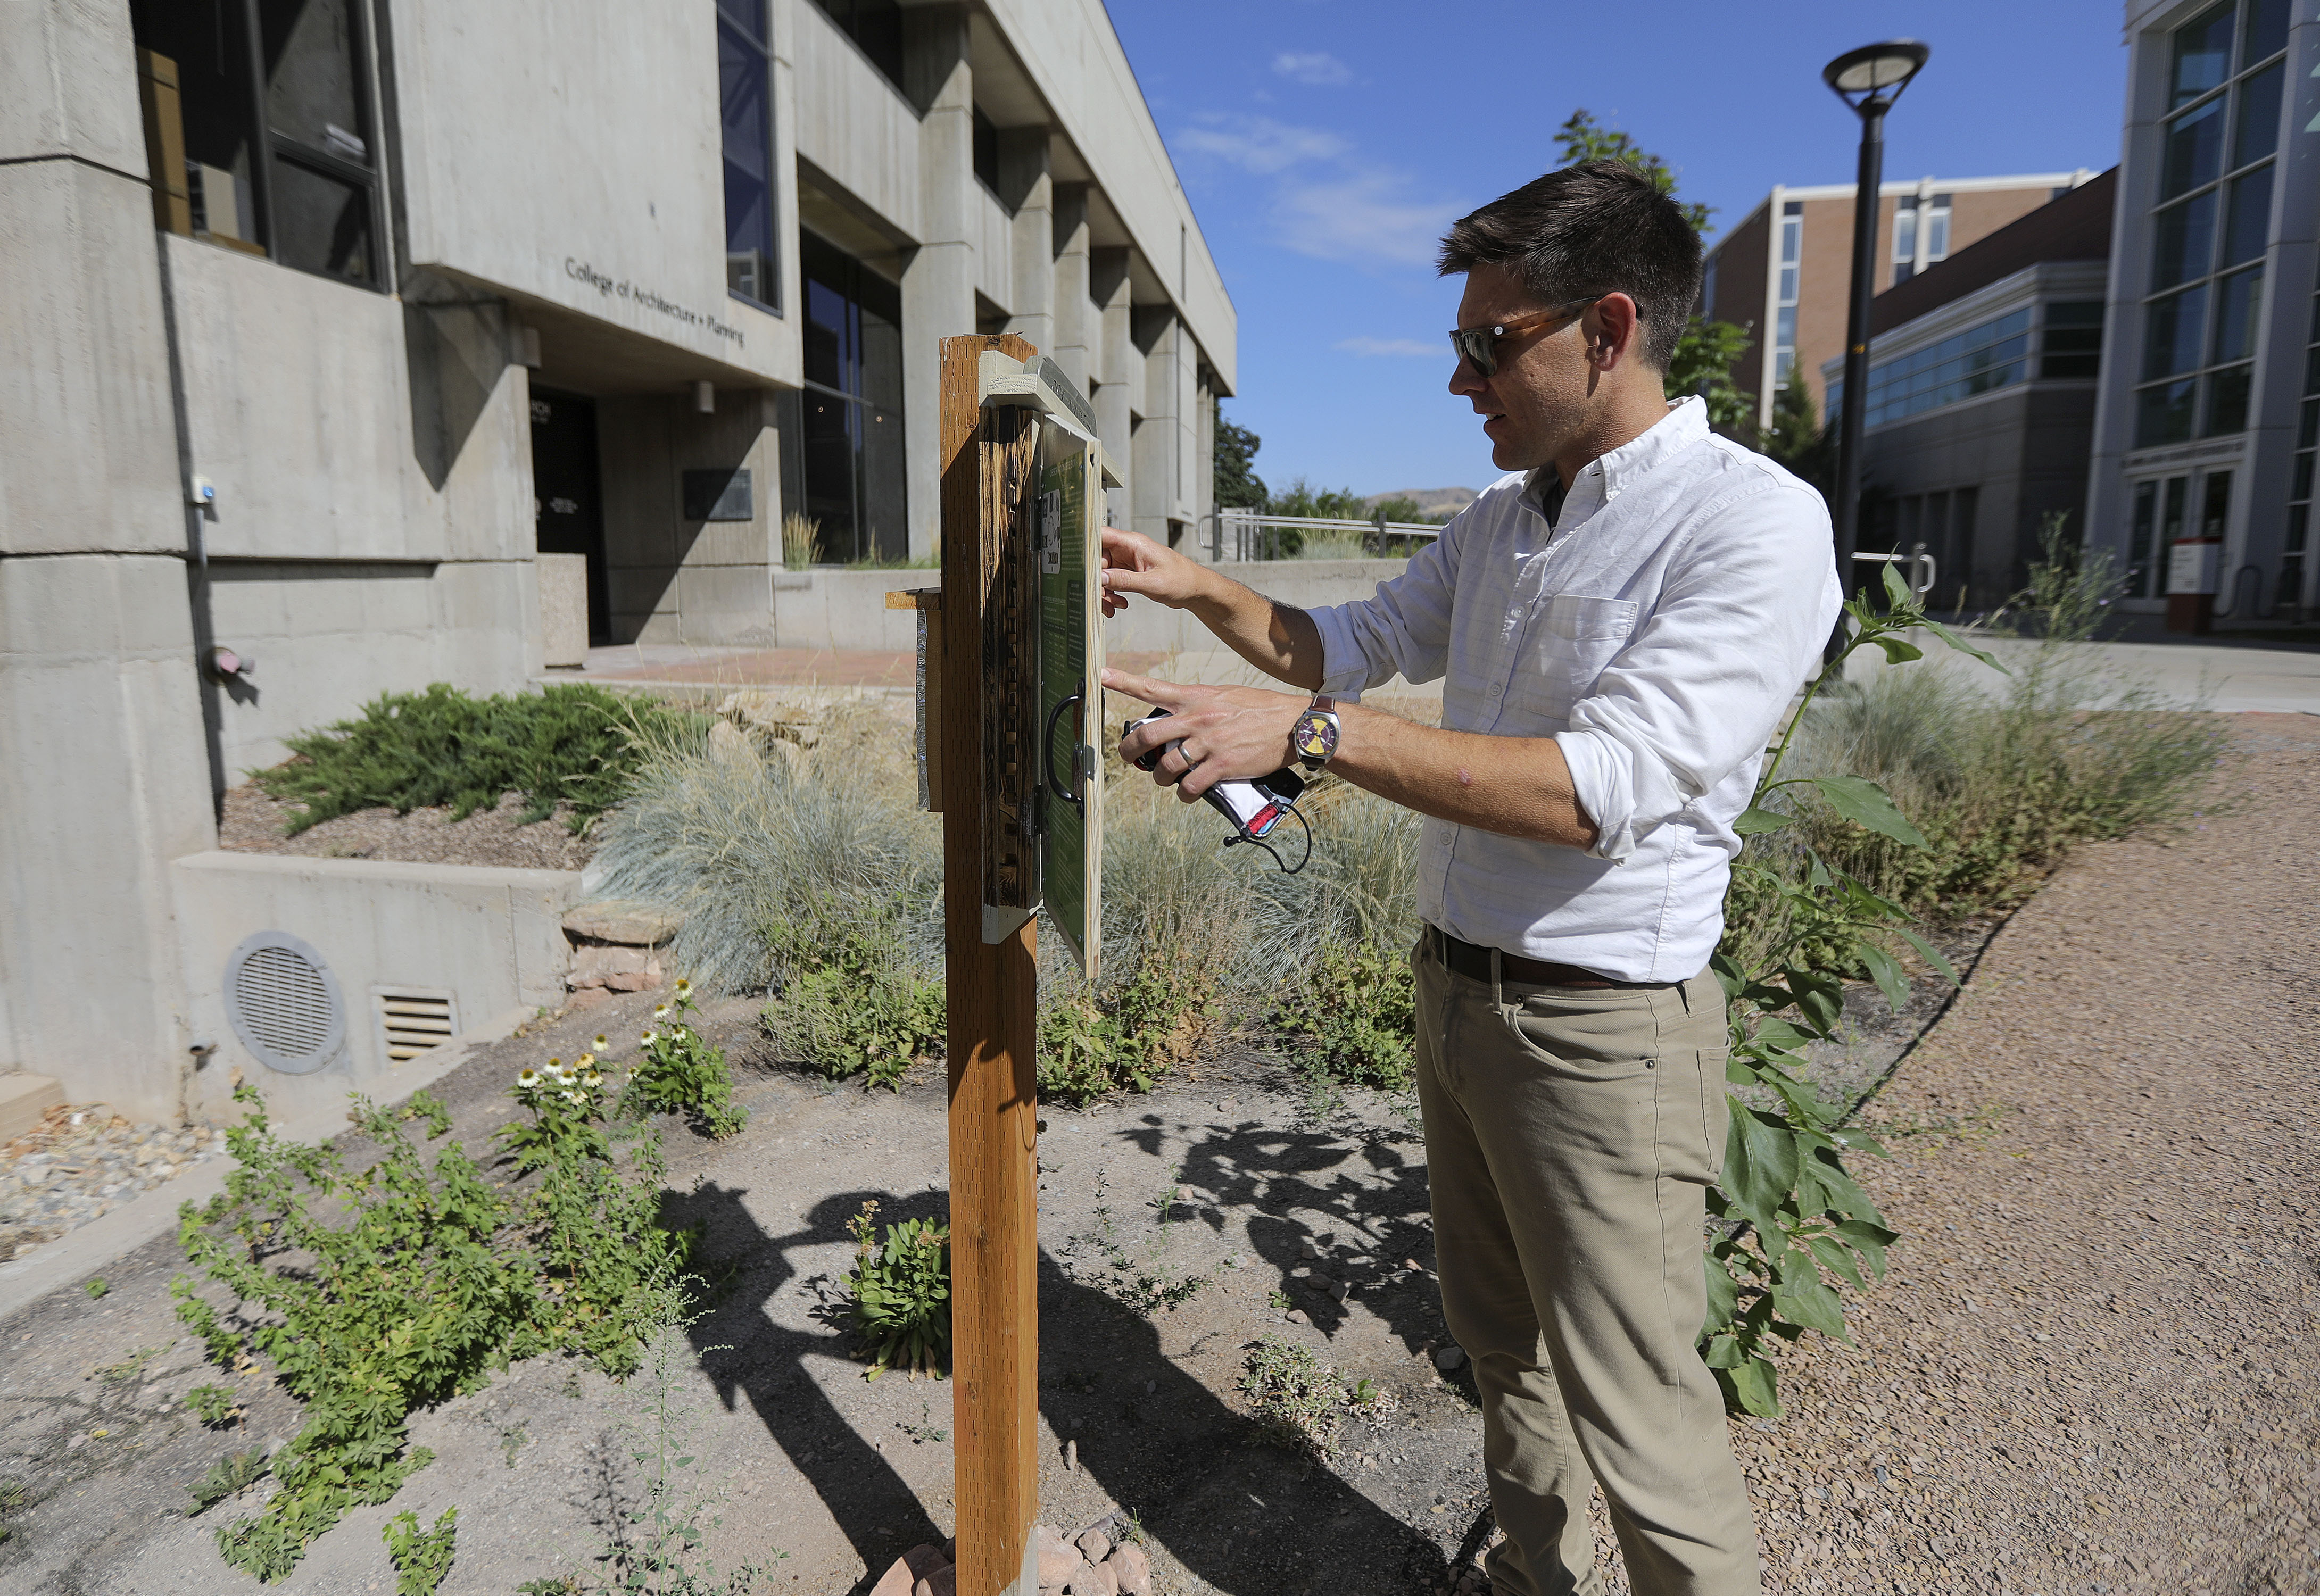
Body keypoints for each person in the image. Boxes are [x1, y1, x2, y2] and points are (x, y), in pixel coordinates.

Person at [1100, 160, 1838, 1596]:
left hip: (1604, 1040)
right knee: (1504, 1359)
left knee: (1645, 1422)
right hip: (1461, 997)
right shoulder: (1506, 519)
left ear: (1608, 331)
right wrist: (1201, 590)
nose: (1461, 382)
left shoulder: (1749, 524)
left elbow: (1596, 790)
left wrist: (1308, 736)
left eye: (1490, 346)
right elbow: (1353, 644)